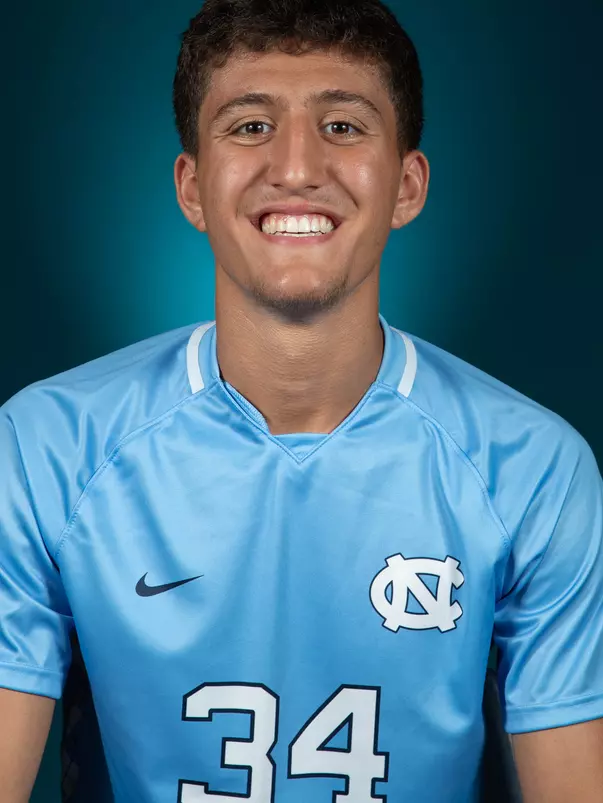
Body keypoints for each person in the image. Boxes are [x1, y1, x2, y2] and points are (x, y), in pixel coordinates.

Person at [1, 0, 602, 800]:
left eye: (343, 126)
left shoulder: (531, 467)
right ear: (190, 187)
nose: (294, 167)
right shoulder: (46, 446)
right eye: (249, 126)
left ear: (407, 185)